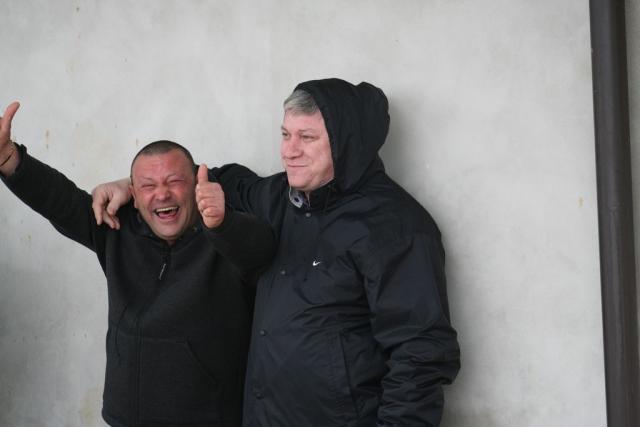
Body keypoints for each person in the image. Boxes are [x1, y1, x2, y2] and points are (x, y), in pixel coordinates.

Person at [93, 78, 461, 426]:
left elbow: (421, 354)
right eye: (285, 135)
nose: (289, 151)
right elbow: (214, 179)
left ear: (345, 143)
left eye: (307, 137)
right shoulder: (278, 197)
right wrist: (133, 186)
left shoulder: (395, 227)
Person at [0, 102, 276, 427]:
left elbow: (260, 248)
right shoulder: (118, 229)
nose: (162, 194)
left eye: (174, 181)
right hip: (123, 417)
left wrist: (222, 222)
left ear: (196, 186)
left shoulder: (228, 237)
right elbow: (59, 200)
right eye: (148, 186)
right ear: (132, 193)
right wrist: (8, 159)